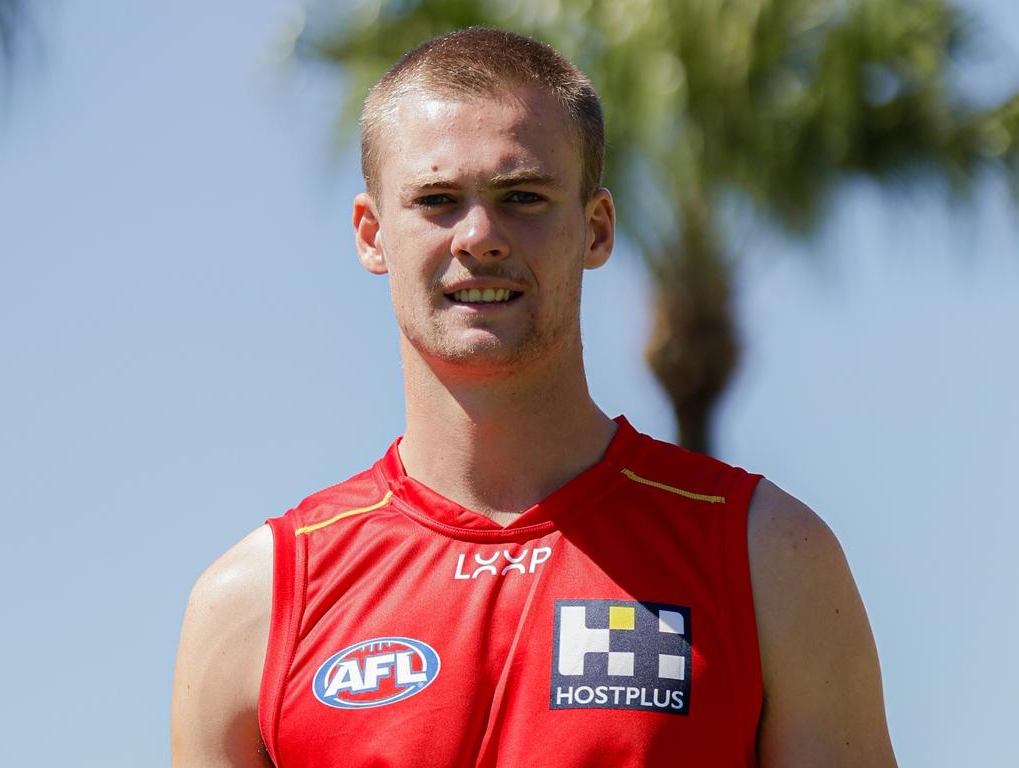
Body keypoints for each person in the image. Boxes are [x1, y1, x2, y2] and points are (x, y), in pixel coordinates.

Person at [171, 27, 898, 768]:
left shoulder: (764, 558)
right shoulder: (255, 605)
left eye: (523, 196)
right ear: (371, 234)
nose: (481, 236)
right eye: (437, 200)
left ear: (596, 228)